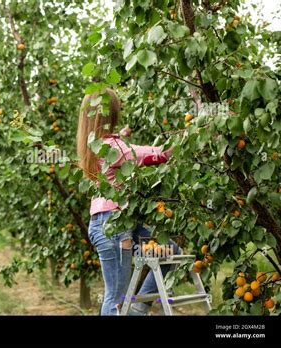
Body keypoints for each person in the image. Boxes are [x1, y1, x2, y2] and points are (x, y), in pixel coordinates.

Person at [76, 88, 179, 316]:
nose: (120, 111)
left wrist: (126, 131)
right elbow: (155, 154)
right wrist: (183, 142)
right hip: (113, 226)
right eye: (117, 109)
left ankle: (137, 310)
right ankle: (132, 311)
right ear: (108, 114)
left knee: (170, 251)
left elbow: (119, 144)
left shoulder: (94, 145)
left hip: (122, 222)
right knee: (115, 298)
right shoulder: (114, 148)